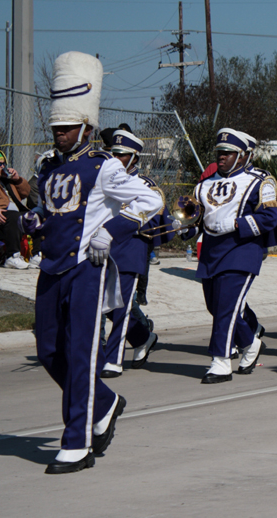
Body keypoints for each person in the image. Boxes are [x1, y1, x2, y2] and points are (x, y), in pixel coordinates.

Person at [20, 51, 164, 473]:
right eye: (55, 128)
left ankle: (77, 442)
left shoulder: (104, 167)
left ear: (85, 126)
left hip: (88, 269)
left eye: (66, 128)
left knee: (81, 353)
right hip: (51, 269)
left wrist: (112, 231)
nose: (59, 134)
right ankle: (105, 401)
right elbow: (52, 213)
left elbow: (152, 200)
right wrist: (35, 221)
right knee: (49, 351)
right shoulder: (48, 168)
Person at [178, 128, 277, 382]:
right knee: (215, 306)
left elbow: (270, 217)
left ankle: (221, 361)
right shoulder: (204, 185)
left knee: (226, 307)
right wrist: (184, 227)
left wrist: (236, 225)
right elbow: (198, 219)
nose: (221, 157)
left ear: (244, 155)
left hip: (242, 250)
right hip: (212, 251)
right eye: (219, 152)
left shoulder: (260, 180)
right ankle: (249, 343)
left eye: (228, 153)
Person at [100, 130, 166, 378]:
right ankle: (142, 338)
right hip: (101, 249)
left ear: (134, 158)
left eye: (122, 155)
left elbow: (157, 221)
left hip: (129, 250)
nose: (115, 159)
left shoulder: (146, 186)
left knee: (121, 308)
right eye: (113, 153)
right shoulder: (102, 179)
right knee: (105, 307)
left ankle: (113, 361)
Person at [0, 148, 31, 269]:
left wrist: (17, 179)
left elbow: (26, 193)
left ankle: (36, 255)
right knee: (13, 217)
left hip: (15, 212)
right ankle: (13, 256)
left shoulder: (7, 180)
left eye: (3, 163)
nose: (2, 166)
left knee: (36, 217)